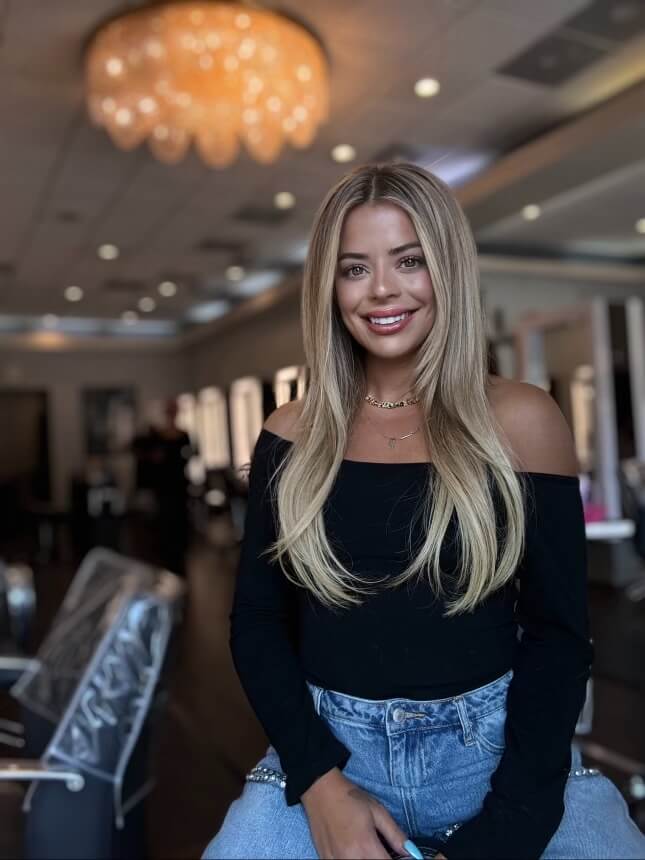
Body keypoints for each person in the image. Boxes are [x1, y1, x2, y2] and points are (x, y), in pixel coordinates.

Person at [203, 163, 645, 859]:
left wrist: (506, 831)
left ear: (446, 268)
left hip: (498, 751)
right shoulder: (291, 431)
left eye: (409, 261)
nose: (382, 289)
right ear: (329, 287)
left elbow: (558, 635)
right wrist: (320, 786)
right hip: (330, 752)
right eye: (354, 268)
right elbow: (258, 623)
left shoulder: (523, 419)